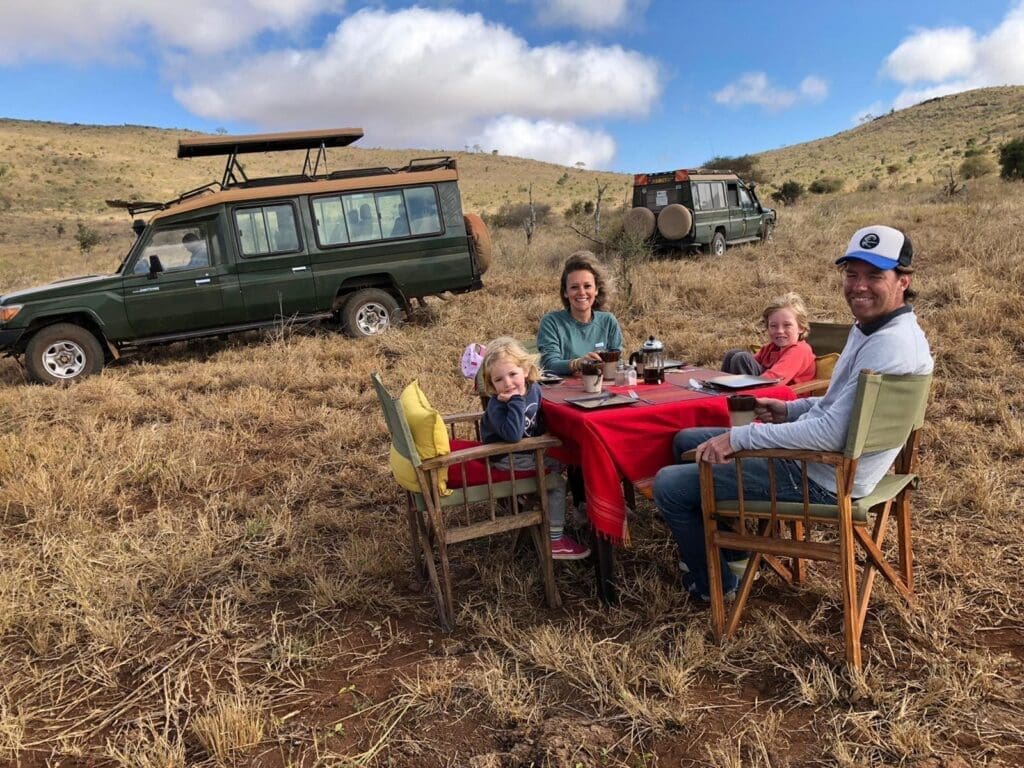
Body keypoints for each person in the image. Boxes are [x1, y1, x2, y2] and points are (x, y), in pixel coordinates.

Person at [653, 225, 933, 601]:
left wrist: (741, 437)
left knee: (669, 485)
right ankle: (732, 554)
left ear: (903, 280)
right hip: (833, 461)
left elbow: (832, 434)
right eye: (852, 274)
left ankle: (713, 584)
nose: (859, 285)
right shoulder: (872, 329)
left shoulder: (891, 345)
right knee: (686, 439)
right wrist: (789, 408)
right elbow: (841, 406)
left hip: (827, 477)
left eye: (874, 276)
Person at [480, 337, 591, 560]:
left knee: (572, 459)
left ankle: (583, 509)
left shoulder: (534, 389)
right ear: (492, 385)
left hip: (527, 451)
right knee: (557, 483)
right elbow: (512, 436)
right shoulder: (498, 403)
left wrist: (543, 435)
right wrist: (515, 403)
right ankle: (555, 539)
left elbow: (537, 419)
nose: (508, 384)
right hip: (505, 456)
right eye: (499, 380)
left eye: (513, 374)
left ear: (526, 370)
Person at [536, 251, 623, 376]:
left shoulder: (608, 321)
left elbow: (617, 362)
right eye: (574, 287)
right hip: (562, 392)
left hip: (602, 388)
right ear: (565, 292)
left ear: (596, 289)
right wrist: (578, 364)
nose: (581, 292)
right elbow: (549, 365)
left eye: (587, 286)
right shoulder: (551, 322)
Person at [720, 292, 816, 385]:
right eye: (773, 326)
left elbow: (775, 379)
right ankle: (718, 391)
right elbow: (750, 364)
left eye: (787, 325)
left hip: (783, 397)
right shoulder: (771, 348)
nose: (780, 331)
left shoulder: (800, 351)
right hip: (764, 388)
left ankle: (734, 397)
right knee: (733, 354)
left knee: (741, 358)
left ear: (801, 328)